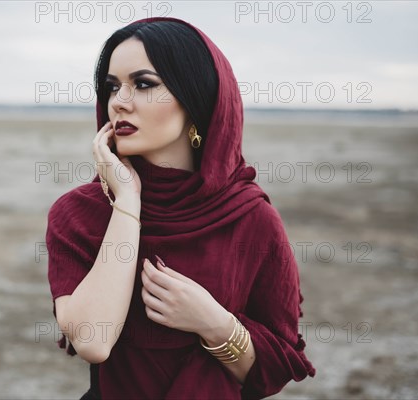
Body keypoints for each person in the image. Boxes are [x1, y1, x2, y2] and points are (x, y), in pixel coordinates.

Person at [45, 16, 316, 399]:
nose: (119, 102)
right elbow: (92, 340)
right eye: (111, 87)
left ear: (194, 98)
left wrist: (213, 322)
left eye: (142, 84)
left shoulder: (251, 217)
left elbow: (273, 371)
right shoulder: (78, 213)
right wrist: (126, 200)